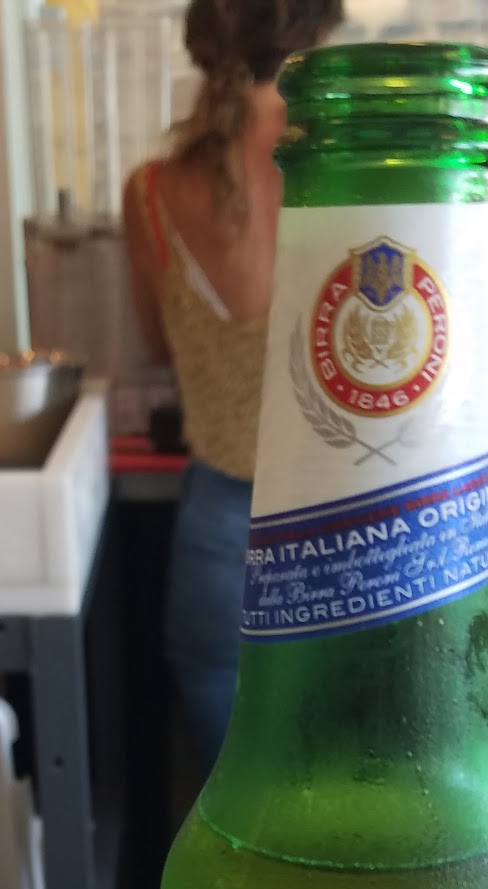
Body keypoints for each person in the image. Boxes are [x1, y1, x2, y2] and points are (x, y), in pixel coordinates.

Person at [124, 0, 343, 773]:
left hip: (219, 535)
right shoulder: (346, 173)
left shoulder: (150, 193)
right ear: (315, 40)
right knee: (340, 803)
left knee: (240, 806)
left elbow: (158, 344)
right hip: (342, 531)